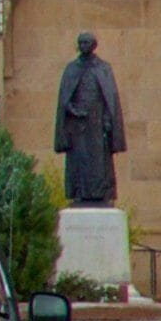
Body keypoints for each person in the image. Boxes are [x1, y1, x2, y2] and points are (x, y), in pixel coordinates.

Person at [56, 33, 128, 206]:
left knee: (99, 161)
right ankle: (80, 193)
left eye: (86, 42)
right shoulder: (71, 68)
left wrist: (108, 120)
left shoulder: (103, 68)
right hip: (77, 124)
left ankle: (101, 194)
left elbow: (109, 98)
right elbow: (64, 99)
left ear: (94, 45)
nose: (83, 45)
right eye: (80, 42)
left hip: (97, 122)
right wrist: (72, 109)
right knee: (79, 160)